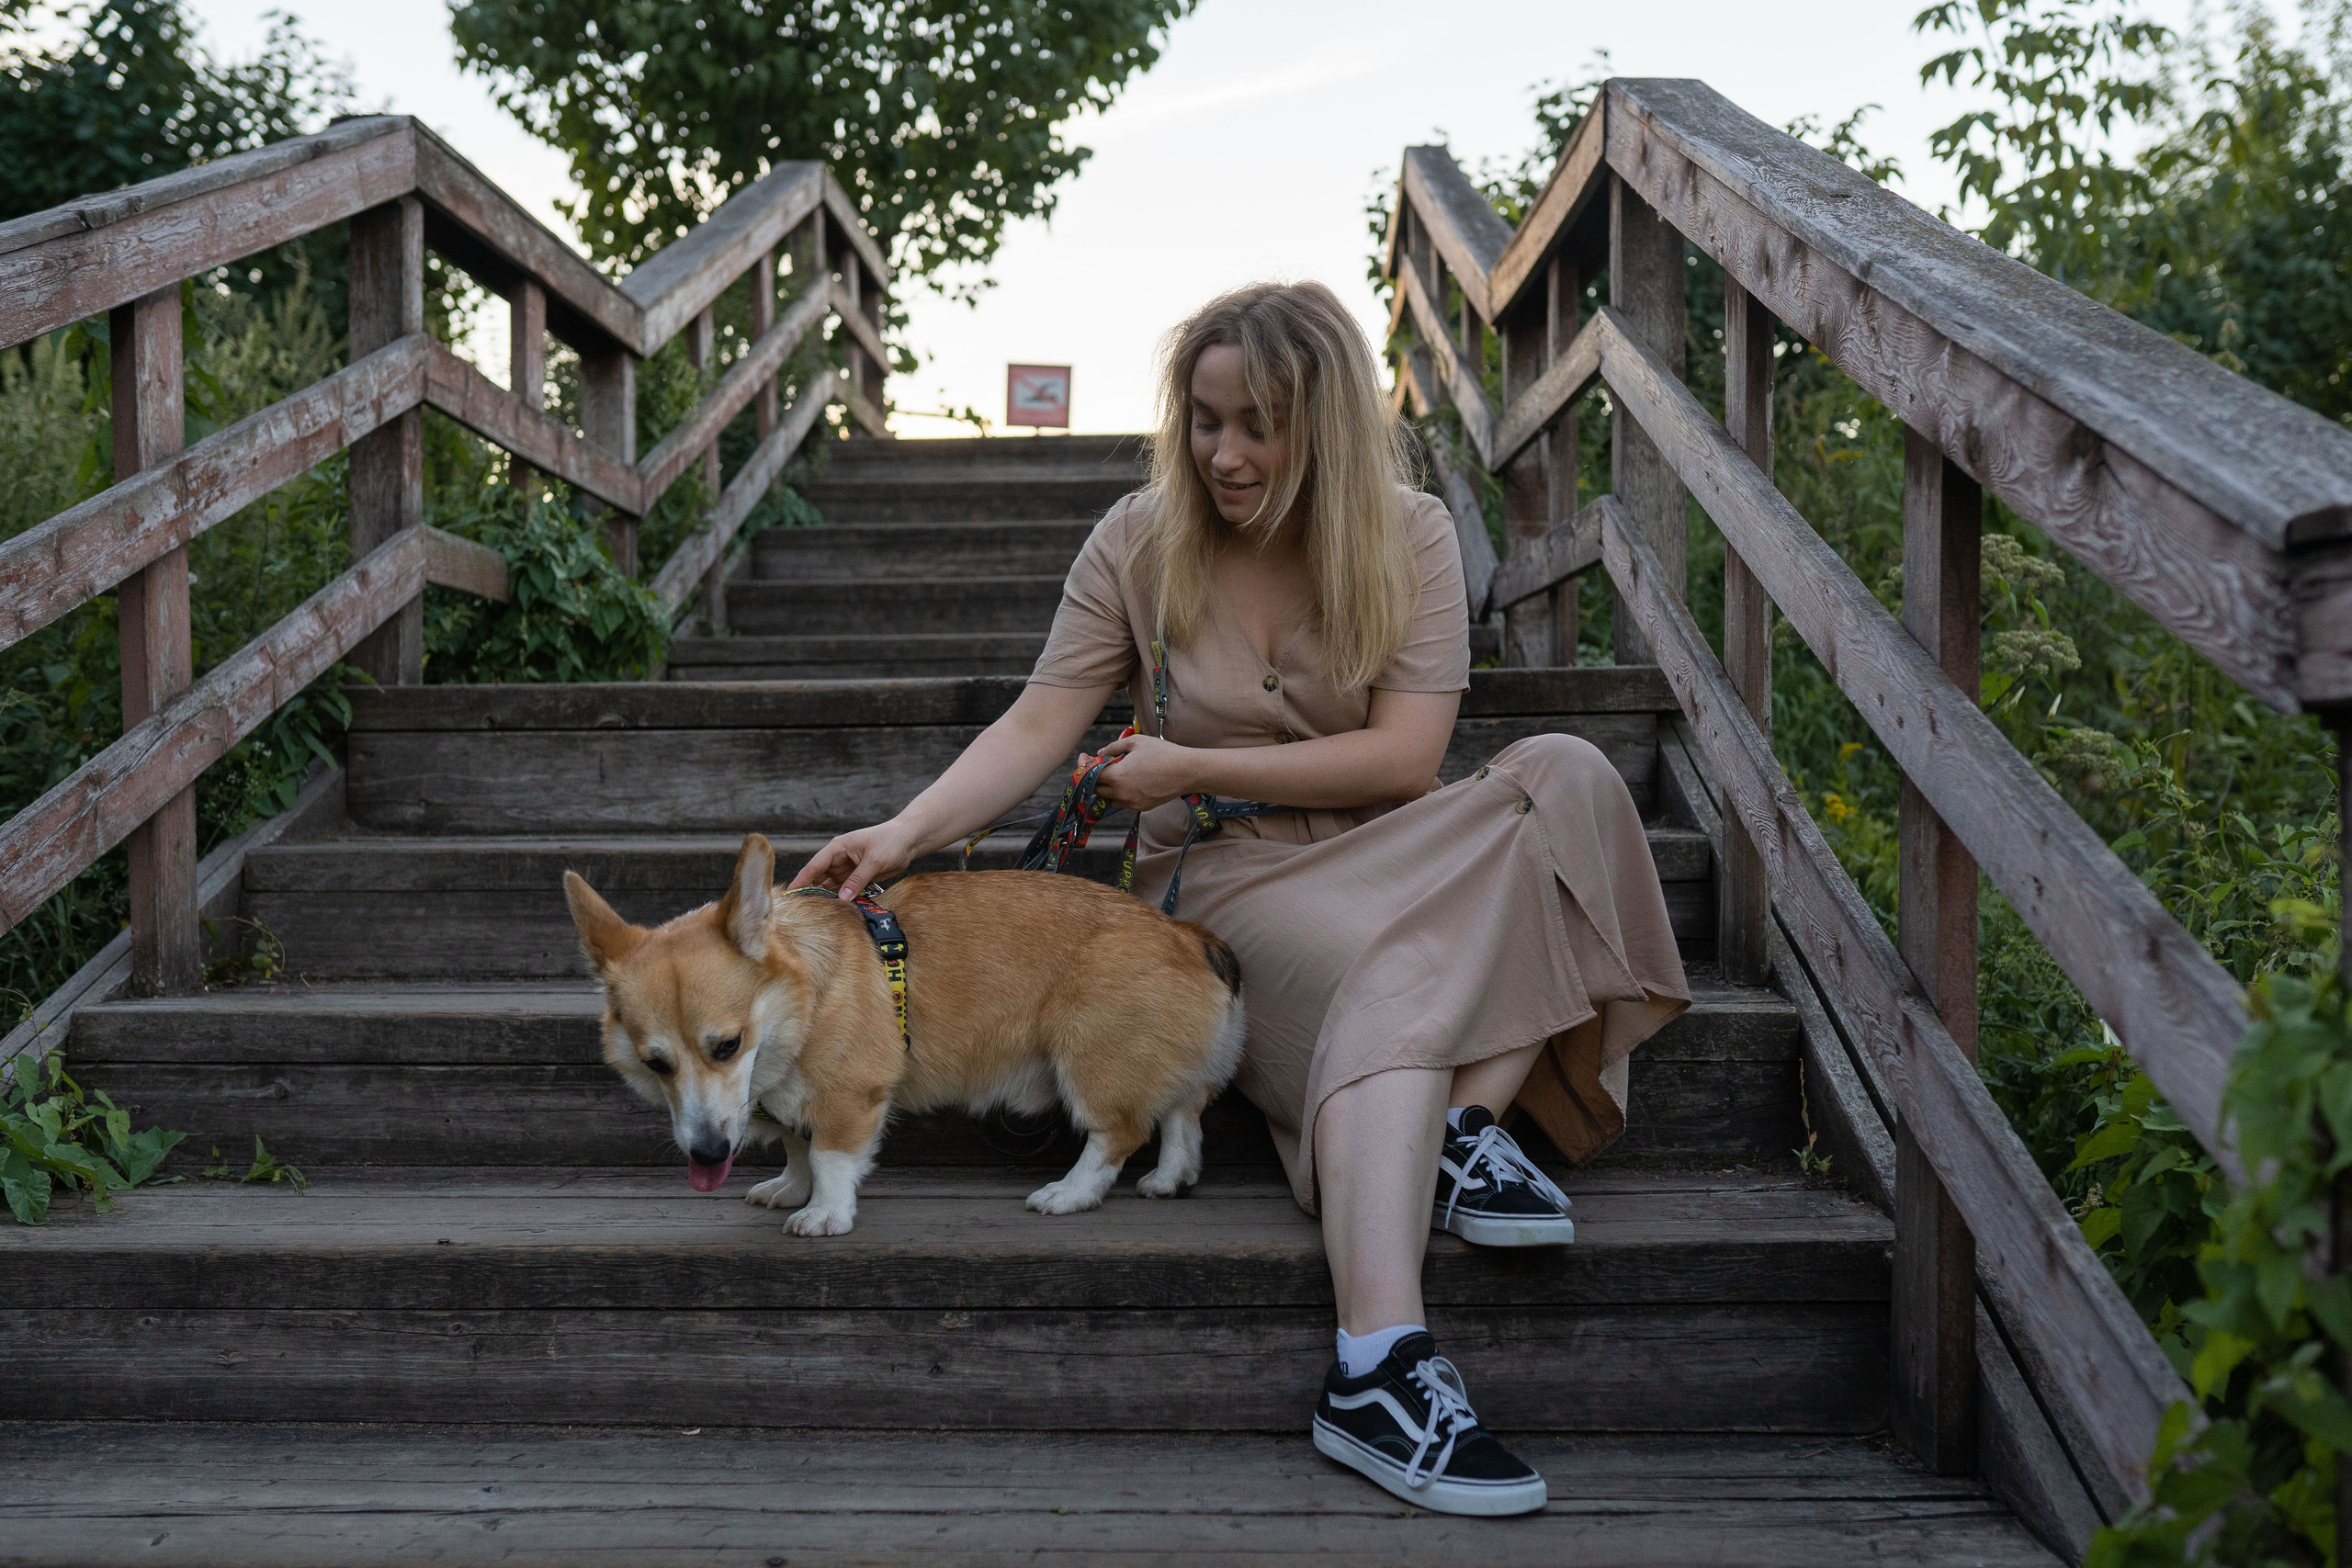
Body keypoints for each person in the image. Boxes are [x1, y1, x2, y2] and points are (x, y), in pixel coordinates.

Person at [789, 280, 1691, 1517]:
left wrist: (1190, 758)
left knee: (1570, 777)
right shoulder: (1139, 540)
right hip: (1225, 875)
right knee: (1397, 971)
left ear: (1325, 421)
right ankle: (1382, 1361)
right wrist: (903, 834)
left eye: (1259, 424)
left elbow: (1406, 762)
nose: (1225, 453)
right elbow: (1044, 721)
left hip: (1396, 844)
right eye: (1206, 421)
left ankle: (1464, 1132)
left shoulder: (1412, 535)